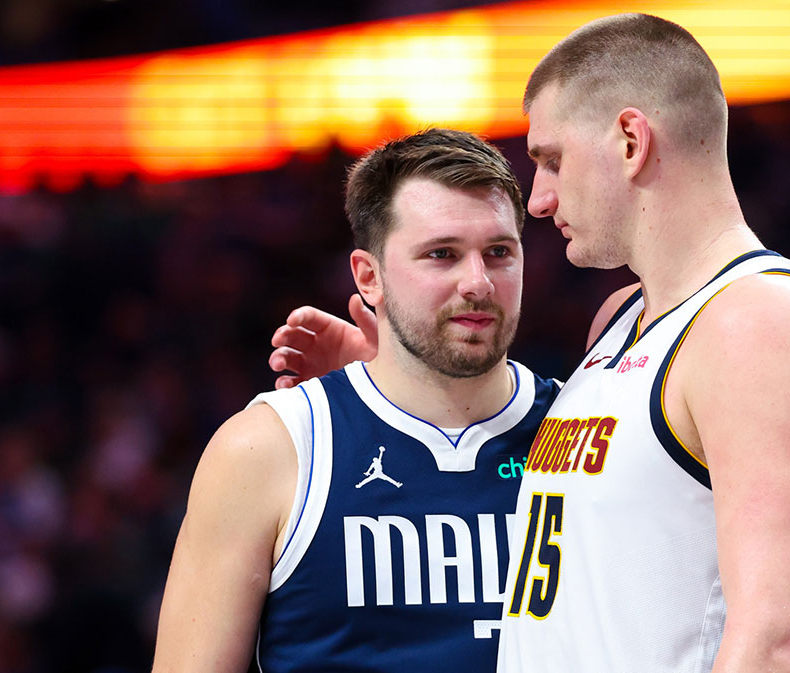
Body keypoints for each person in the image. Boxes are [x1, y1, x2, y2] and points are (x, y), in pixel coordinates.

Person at [271, 13, 790, 673]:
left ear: (631, 141)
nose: (540, 199)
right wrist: (399, 382)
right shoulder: (621, 320)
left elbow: (778, 645)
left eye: (552, 160)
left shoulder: (760, 323)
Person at [153, 128, 561, 673]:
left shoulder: (583, 426)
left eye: (499, 252)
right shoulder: (270, 449)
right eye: (442, 254)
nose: (478, 282)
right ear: (369, 277)